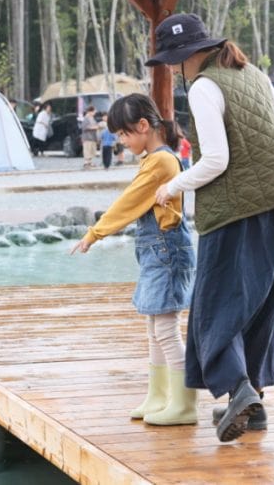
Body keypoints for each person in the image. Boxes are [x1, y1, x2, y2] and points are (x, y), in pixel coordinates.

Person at [149, 12, 274, 443]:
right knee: (259, 306)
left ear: (185, 57)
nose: (170, 69)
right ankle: (253, 402)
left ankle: (238, 391)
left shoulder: (203, 86)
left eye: (170, 61)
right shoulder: (251, 73)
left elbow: (215, 160)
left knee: (214, 306)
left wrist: (172, 186)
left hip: (237, 212)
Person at [71, 94, 197, 425]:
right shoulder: (156, 159)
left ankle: (184, 405)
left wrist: (95, 233)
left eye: (124, 135)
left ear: (143, 126)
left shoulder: (161, 162)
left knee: (166, 329)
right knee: (154, 326)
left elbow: (129, 202)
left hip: (166, 254)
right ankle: (158, 396)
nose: (122, 142)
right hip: (159, 253)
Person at [80, 104, 99, 169]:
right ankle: (86, 163)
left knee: (92, 150)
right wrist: (94, 127)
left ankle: (90, 162)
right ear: (90, 111)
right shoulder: (86, 118)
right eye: (94, 112)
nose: (94, 113)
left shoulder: (92, 118)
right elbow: (84, 127)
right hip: (87, 137)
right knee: (87, 150)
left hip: (93, 137)